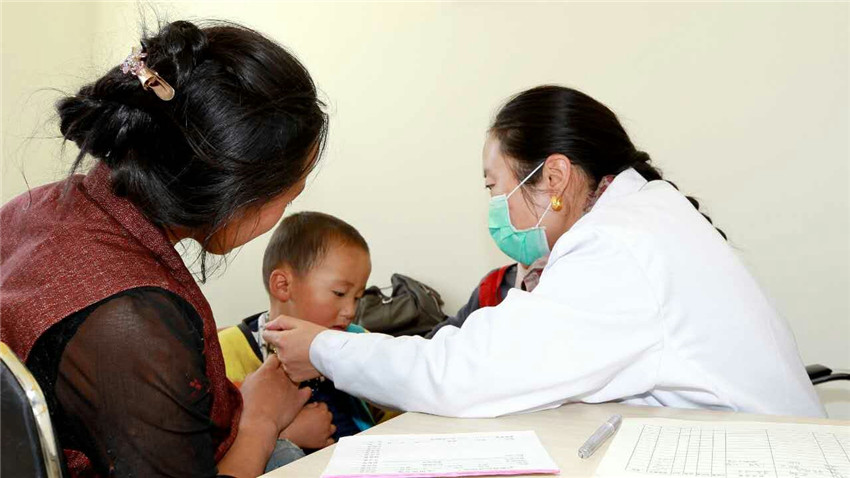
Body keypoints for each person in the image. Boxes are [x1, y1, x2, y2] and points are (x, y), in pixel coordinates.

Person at [264, 85, 825, 419]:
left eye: (494, 186)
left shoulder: (616, 245)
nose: (494, 206)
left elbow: (463, 375)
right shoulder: (642, 218)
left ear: (553, 177)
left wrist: (324, 349)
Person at [1, 20, 329, 477]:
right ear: (232, 192)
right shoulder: (131, 325)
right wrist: (261, 419)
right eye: (290, 195)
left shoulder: (39, 207)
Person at [219, 212, 375, 453]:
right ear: (283, 286)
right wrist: (286, 435)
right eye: (339, 293)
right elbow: (217, 449)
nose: (350, 311)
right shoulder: (224, 354)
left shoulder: (356, 340)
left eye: (357, 298)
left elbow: (398, 409)